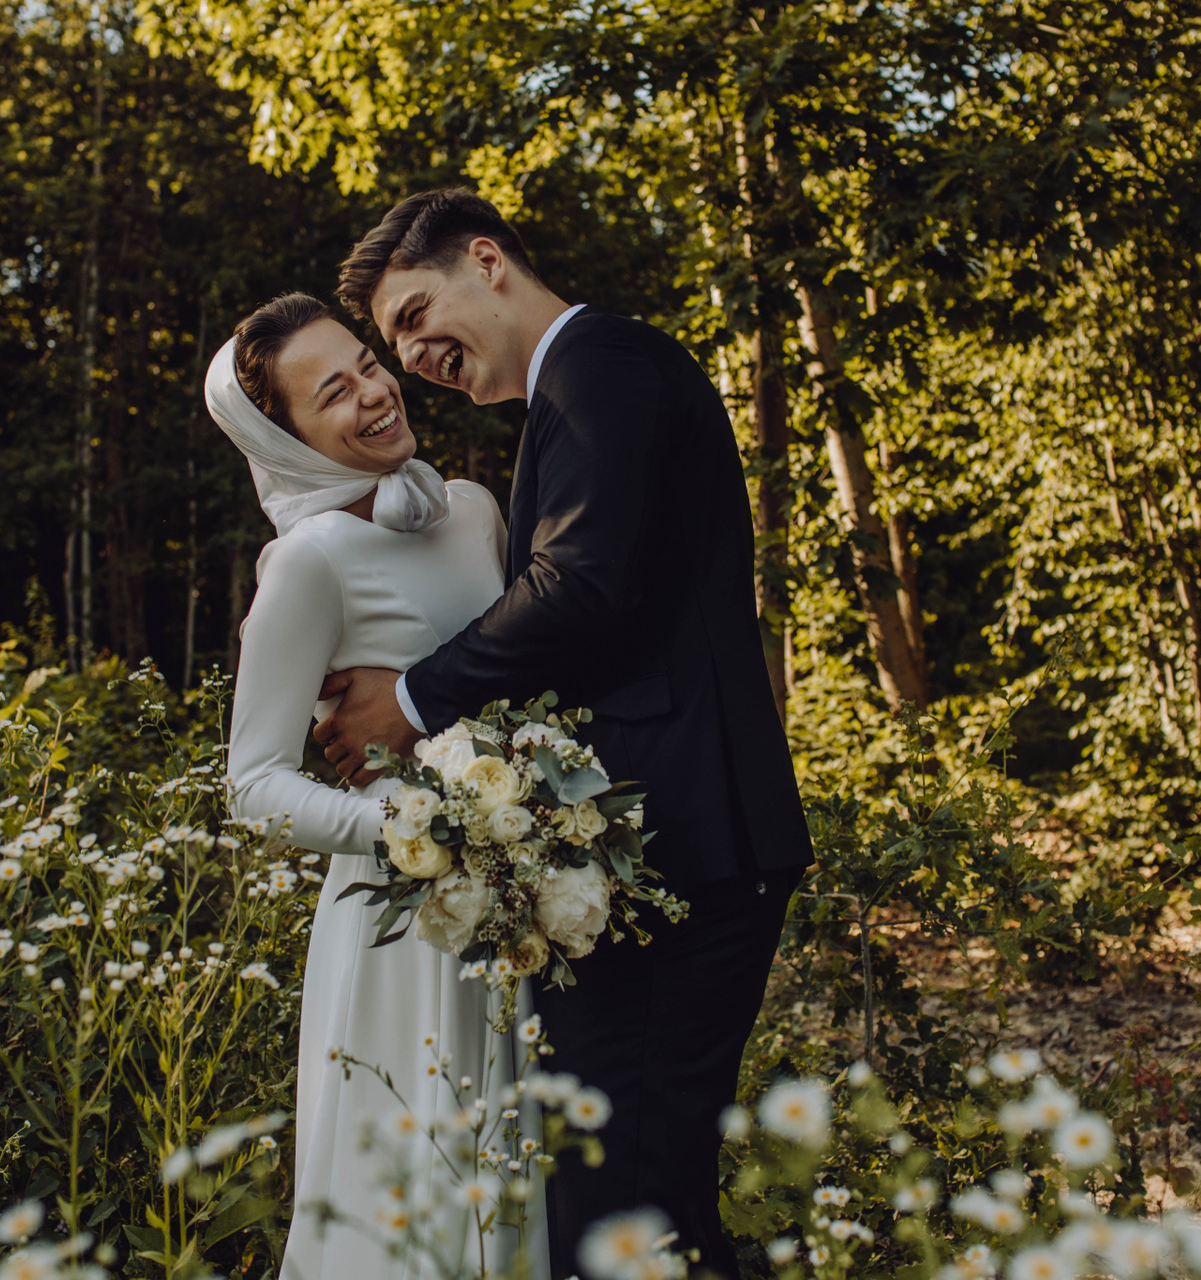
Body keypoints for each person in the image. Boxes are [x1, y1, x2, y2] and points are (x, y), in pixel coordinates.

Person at [313, 189, 814, 1279]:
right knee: (637, 1197)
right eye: (397, 340)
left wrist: (410, 700)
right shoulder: (579, 388)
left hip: (690, 837)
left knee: (625, 1208)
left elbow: (579, 588)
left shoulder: (601, 368)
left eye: (414, 315)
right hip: (667, 847)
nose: (413, 357)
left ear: (487, 259)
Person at [207, 292, 546, 1280]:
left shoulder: (472, 509)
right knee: (419, 1199)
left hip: (522, 905)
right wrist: (417, 826)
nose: (373, 391)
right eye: (333, 393)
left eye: (365, 362)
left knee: (523, 1181)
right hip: (404, 928)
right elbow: (255, 783)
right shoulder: (308, 564)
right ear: (287, 441)